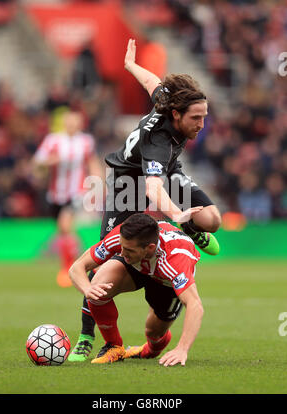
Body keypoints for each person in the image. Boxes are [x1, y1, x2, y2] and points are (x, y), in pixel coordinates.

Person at [69, 38, 221, 361]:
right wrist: (177, 215)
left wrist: (131, 66)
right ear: (177, 115)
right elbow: (152, 189)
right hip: (129, 184)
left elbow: (154, 84)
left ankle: (193, 231)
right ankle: (86, 334)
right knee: (101, 268)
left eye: (204, 116)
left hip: (168, 170)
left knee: (214, 219)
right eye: (197, 118)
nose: (202, 125)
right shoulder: (159, 143)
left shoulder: (169, 102)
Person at [69, 213, 204, 367]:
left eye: (128, 250)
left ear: (150, 248)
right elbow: (76, 267)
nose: (122, 252)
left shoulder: (175, 260)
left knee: (153, 332)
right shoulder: (123, 238)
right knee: (97, 284)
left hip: (165, 282)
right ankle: (113, 346)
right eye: (122, 247)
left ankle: (150, 350)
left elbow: (195, 305)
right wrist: (87, 289)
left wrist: (182, 349)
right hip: (136, 265)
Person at [33, 109, 103, 287]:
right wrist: (50, 161)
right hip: (56, 194)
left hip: (77, 192)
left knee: (65, 225)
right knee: (64, 231)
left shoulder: (85, 141)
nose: (73, 125)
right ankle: (86, 259)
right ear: (64, 123)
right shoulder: (53, 140)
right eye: (69, 121)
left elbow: (92, 162)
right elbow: (37, 163)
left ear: (80, 124)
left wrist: (99, 182)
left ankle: (67, 270)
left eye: (76, 122)